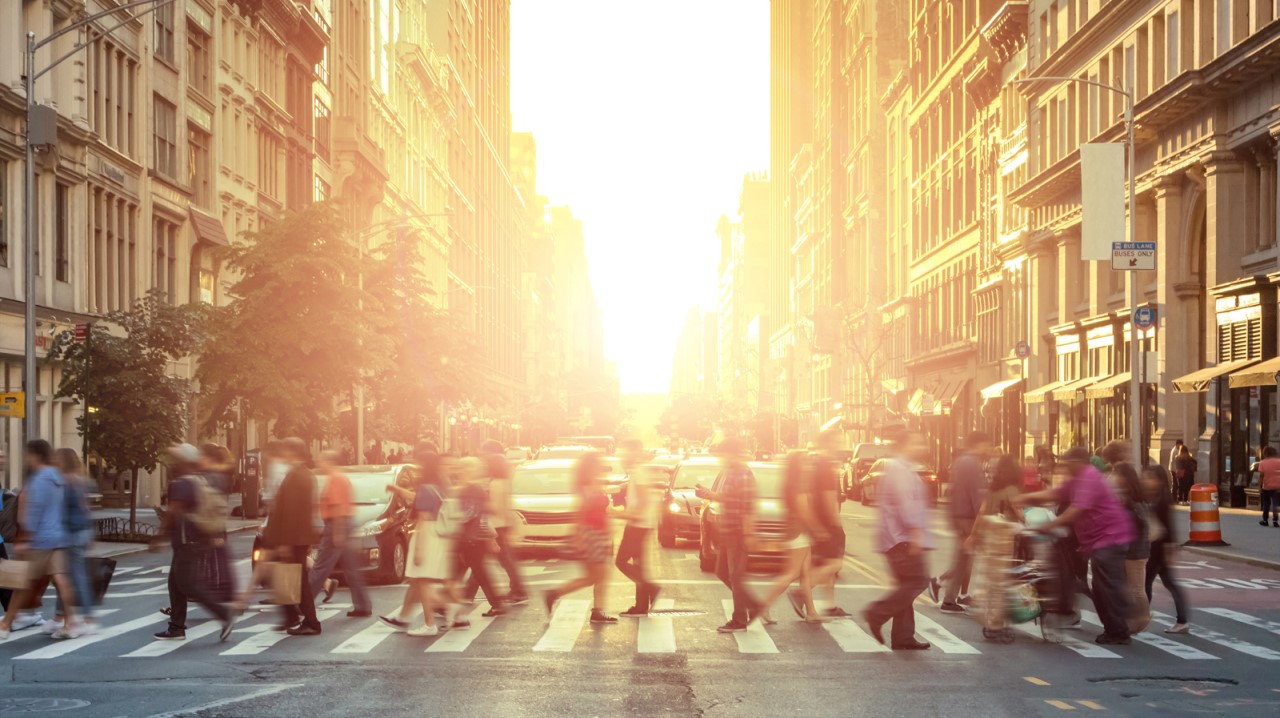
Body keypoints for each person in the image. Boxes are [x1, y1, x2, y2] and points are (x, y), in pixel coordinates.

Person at [1018, 446, 1135, 645]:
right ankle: (1115, 628)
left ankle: (1120, 630)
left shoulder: (1089, 477)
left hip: (1110, 537)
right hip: (1100, 540)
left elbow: (1076, 510)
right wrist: (1027, 498)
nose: (1063, 467)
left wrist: (1047, 526)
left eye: (1067, 464)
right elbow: (1055, 494)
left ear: (1078, 463)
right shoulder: (1076, 479)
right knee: (1100, 587)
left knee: (1106, 586)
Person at [153, 444, 237, 642]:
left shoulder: (183, 482)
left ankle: (224, 614)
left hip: (188, 541)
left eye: (175, 459)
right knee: (175, 584)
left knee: (188, 584)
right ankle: (176, 627)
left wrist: (159, 536)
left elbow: (174, 512)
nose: (171, 462)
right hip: (193, 540)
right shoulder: (198, 479)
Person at [861, 427, 933, 651]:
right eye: (916, 442)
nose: (921, 447)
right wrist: (915, 532)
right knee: (917, 581)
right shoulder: (899, 469)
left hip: (895, 537)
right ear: (903, 445)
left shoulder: (902, 468)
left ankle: (903, 637)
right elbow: (906, 503)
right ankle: (877, 613)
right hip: (901, 538)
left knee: (906, 585)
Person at [0, 441, 80, 640]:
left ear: (35, 455)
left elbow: (30, 513)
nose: (27, 459)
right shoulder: (58, 478)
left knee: (20, 584)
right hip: (58, 537)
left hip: (39, 539)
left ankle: (5, 624)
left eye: (28, 455)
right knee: (61, 580)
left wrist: (24, 539)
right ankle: (70, 624)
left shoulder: (37, 480)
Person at [380, 443, 456, 636]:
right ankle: (403, 618)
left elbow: (422, 518)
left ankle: (433, 622)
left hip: (426, 536)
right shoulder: (439, 486)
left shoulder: (425, 487)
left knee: (422, 581)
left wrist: (419, 550)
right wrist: (398, 489)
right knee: (418, 580)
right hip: (439, 537)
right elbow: (417, 499)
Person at [696, 438, 763, 633]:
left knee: (736, 576)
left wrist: (749, 534)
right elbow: (728, 497)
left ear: (731, 454)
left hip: (738, 533)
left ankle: (740, 619)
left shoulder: (743, 474)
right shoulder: (731, 473)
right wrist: (708, 493)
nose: (720, 459)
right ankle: (753, 605)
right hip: (728, 531)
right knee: (723, 572)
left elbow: (748, 506)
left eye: (723, 455)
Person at [543, 452, 618, 625]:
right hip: (592, 535)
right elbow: (582, 512)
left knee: (596, 576)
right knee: (598, 576)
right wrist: (580, 537)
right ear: (591, 467)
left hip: (599, 533)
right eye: (598, 464)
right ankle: (556, 594)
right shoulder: (586, 486)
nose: (601, 467)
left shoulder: (594, 483)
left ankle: (556, 594)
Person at [262, 438, 322, 636]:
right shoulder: (304, 474)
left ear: (293, 452)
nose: (283, 454)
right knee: (295, 579)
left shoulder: (296, 476)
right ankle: (295, 616)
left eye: (286, 450)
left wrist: (285, 543)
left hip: (293, 537)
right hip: (299, 536)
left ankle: (310, 621)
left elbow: (291, 511)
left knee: (298, 581)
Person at [928, 431, 991, 614]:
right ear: (978, 444)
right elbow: (977, 496)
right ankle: (947, 595)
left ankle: (948, 593)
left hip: (959, 516)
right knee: (965, 559)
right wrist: (981, 517)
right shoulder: (972, 464)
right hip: (968, 518)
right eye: (986, 444)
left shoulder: (961, 462)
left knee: (964, 558)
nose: (988, 448)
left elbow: (952, 491)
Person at [758, 451, 823, 623]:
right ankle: (763, 606)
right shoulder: (797, 485)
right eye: (805, 462)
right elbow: (804, 511)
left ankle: (811, 612)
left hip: (797, 532)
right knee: (791, 573)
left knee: (805, 574)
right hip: (799, 532)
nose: (808, 465)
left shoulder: (791, 483)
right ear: (797, 465)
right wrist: (818, 529)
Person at [308, 451, 372, 618]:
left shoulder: (335, 479)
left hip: (337, 525)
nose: (318, 461)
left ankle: (303, 604)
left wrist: (337, 533)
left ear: (329, 461)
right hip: (344, 524)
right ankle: (363, 606)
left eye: (321, 459)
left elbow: (337, 506)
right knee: (351, 569)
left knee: (320, 568)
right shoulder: (340, 477)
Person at [462, 441, 526, 605]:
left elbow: (496, 508)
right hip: (500, 526)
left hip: (496, 527)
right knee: (482, 562)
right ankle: (468, 593)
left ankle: (518, 591)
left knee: (488, 562)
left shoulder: (495, 484)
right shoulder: (502, 481)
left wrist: (482, 503)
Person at [454, 457, 505, 620]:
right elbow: (485, 514)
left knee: (473, 573)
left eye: (462, 468)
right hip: (473, 538)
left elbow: (471, 514)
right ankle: (497, 604)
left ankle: (497, 604)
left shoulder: (471, 490)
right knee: (466, 572)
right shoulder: (474, 489)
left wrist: (451, 517)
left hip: (471, 539)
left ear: (468, 471)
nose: (458, 470)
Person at [1142, 464, 1191, 634]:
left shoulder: (1162, 498)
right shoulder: (1157, 496)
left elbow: (1168, 526)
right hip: (1159, 547)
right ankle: (1182, 620)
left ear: (1159, 480)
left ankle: (1141, 617)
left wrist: (1170, 547)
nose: (1146, 481)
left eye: (1150, 477)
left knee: (1146, 583)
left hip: (1158, 548)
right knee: (1169, 583)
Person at [616, 439, 662, 617]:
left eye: (625, 452)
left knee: (620, 561)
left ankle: (651, 587)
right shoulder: (639, 469)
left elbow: (643, 498)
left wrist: (630, 514)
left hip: (638, 524)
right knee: (639, 565)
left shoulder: (639, 470)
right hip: (641, 523)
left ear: (634, 452)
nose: (623, 456)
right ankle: (641, 606)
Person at [807, 430, 850, 618]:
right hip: (827, 523)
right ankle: (802, 591)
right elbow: (827, 496)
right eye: (836, 441)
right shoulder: (824, 465)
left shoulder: (821, 463)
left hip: (822, 521)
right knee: (834, 563)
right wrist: (834, 521)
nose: (839, 444)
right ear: (827, 443)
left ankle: (830, 605)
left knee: (827, 564)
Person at [53, 449, 95, 634]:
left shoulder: (67, 482)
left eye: (58, 458)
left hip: (71, 533)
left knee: (71, 577)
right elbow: (85, 508)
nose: (55, 461)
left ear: (64, 461)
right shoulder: (79, 480)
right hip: (81, 531)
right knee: (65, 577)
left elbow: (63, 511)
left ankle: (87, 618)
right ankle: (60, 616)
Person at [1113, 462, 1151, 634]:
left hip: (1135, 550)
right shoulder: (1130, 497)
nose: (1114, 477)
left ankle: (1142, 618)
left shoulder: (1133, 500)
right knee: (1130, 587)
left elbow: (1142, 524)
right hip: (1131, 549)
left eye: (1117, 474)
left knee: (1136, 588)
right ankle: (1134, 618)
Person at [1255, 445, 1280, 527]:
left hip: (1267, 486)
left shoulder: (1262, 462)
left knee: (1266, 504)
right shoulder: (1278, 461)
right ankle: (1275, 521)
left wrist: (1260, 486)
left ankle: (1265, 520)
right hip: (1277, 485)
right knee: (1275, 504)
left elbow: (1261, 475)